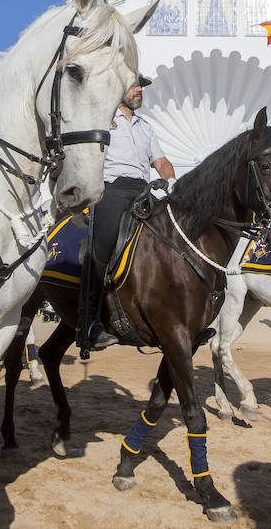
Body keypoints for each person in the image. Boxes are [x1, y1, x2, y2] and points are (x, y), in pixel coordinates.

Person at [77, 75, 175, 353]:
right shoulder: (103, 120)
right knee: (103, 247)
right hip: (112, 190)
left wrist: (171, 182)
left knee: (171, 240)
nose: (139, 89)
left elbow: (161, 161)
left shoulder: (145, 127)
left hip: (144, 191)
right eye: (134, 85)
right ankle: (88, 324)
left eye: (140, 86)